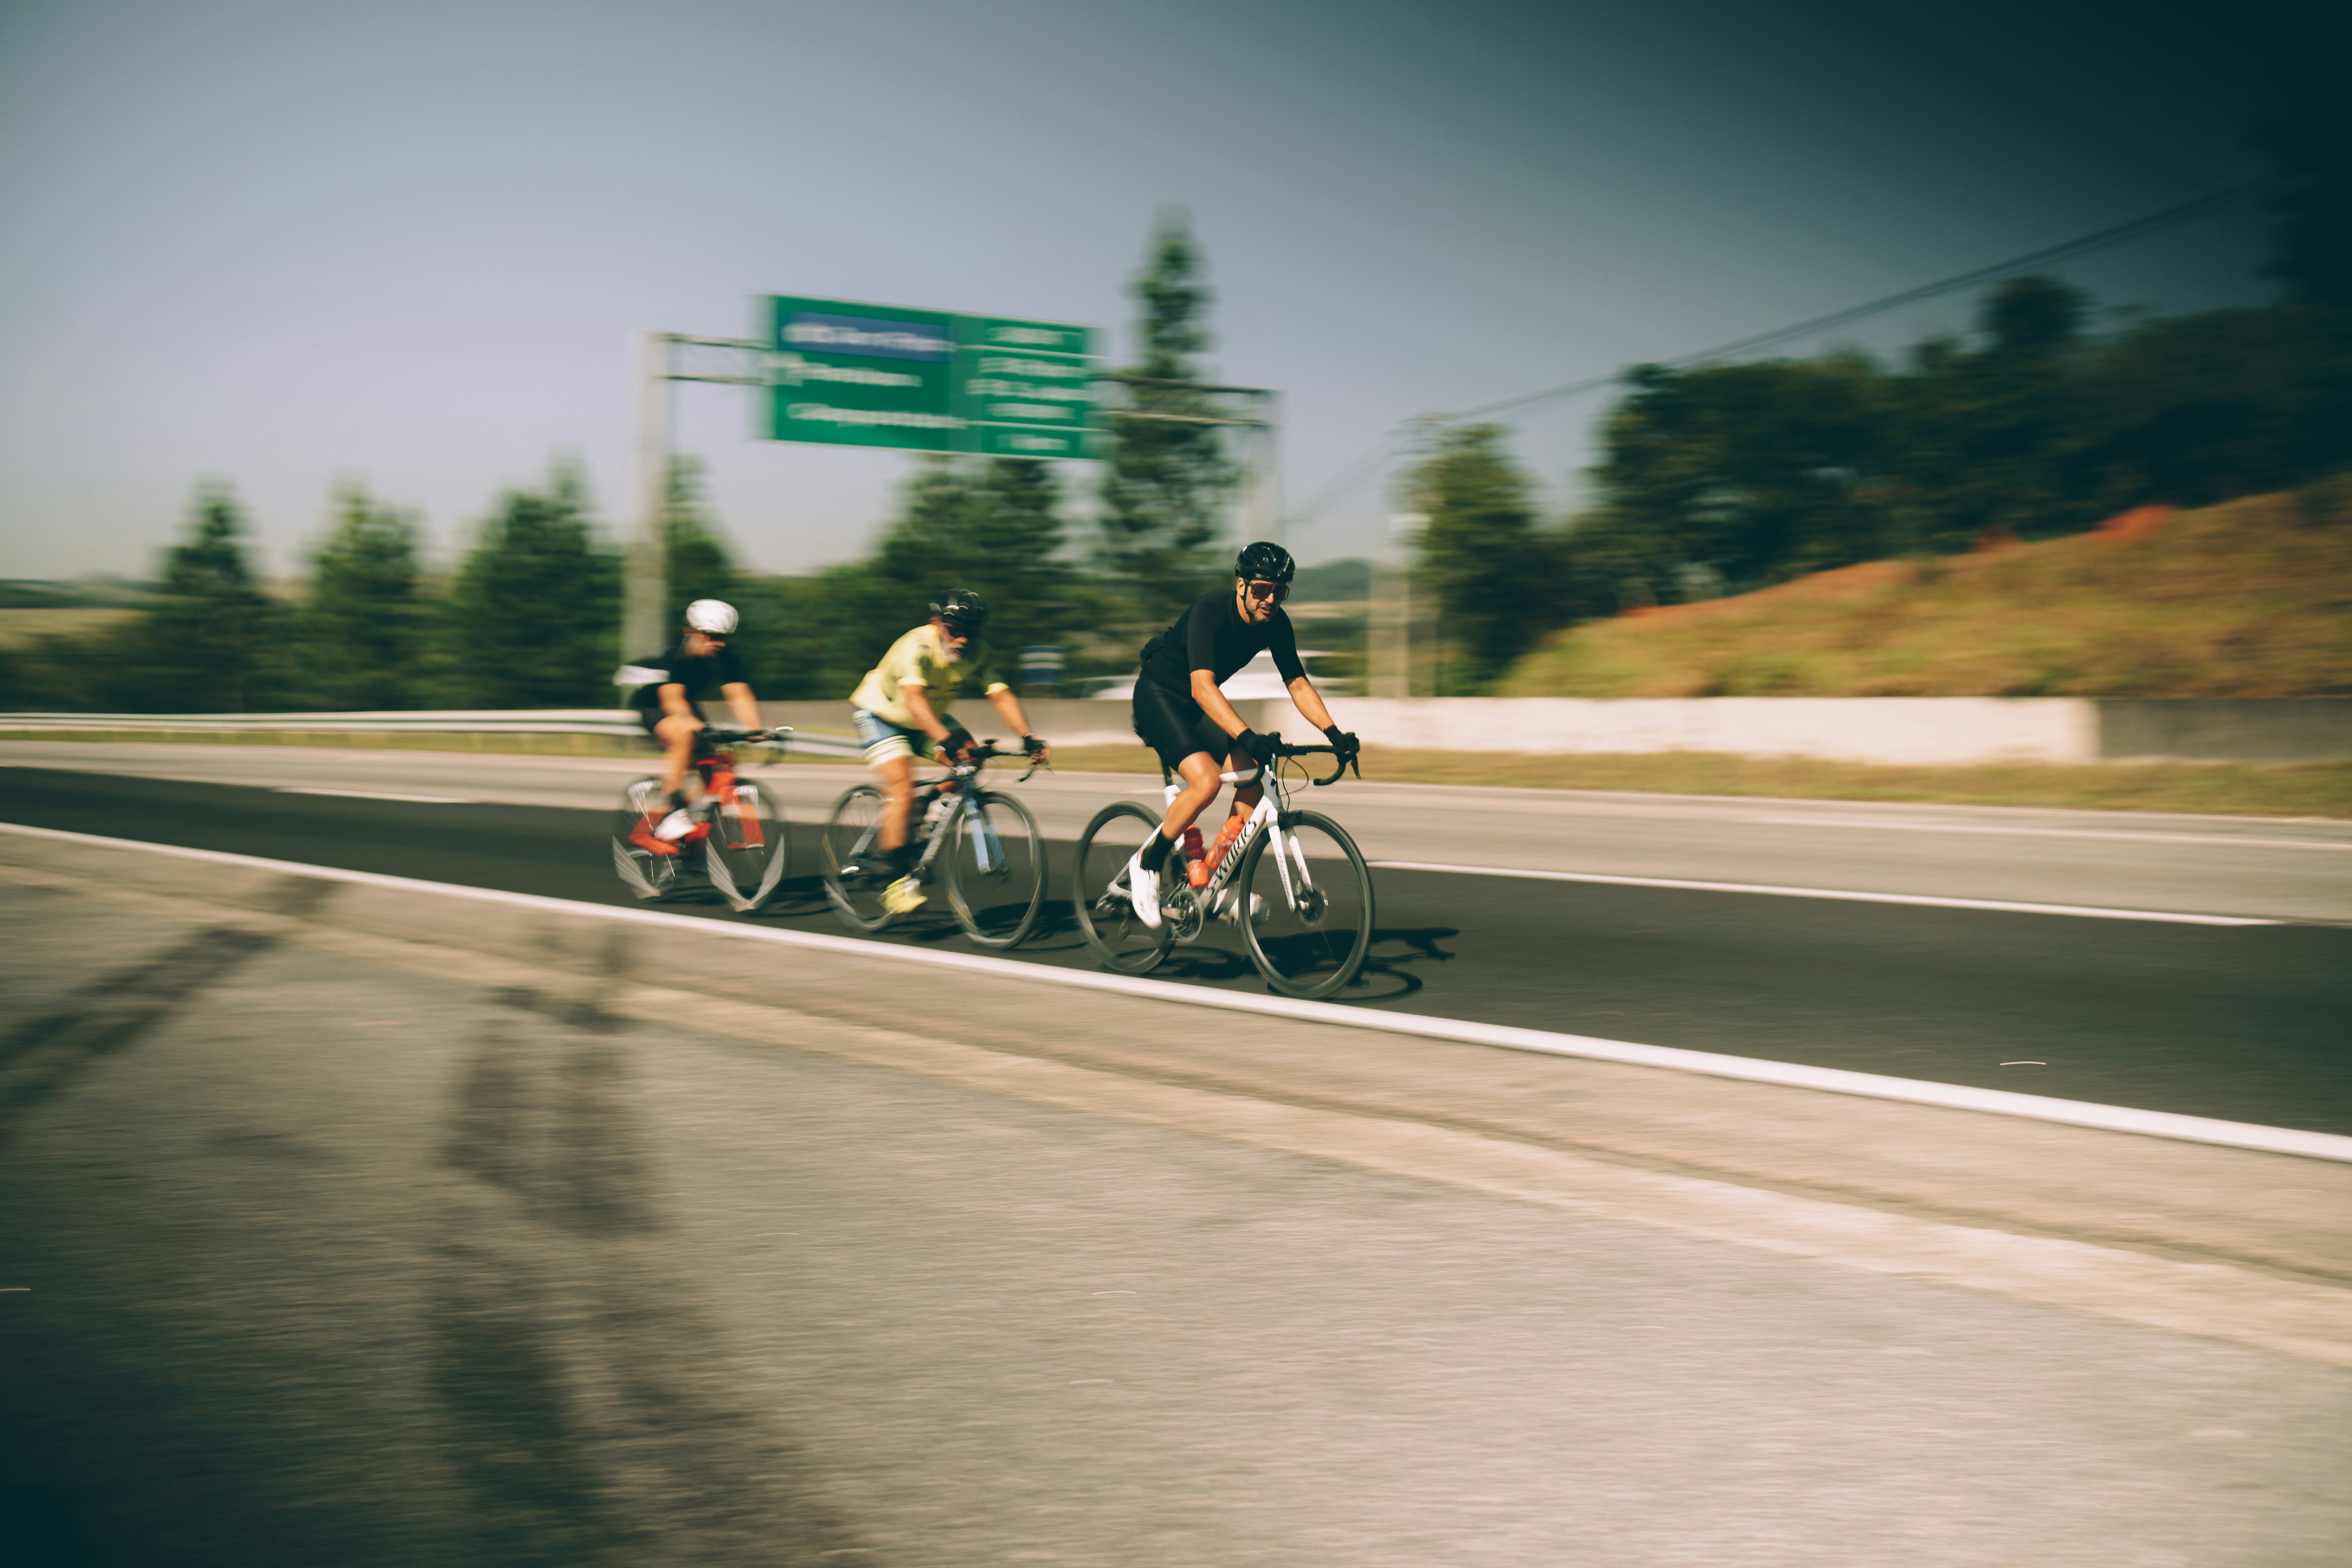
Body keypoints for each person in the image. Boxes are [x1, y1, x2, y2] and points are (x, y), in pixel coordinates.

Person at [1122, 542, 1360, 928]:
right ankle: (1146, 863)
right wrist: (1247, 734)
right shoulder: (1210, 612)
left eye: (1279, 592)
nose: (1270, 600)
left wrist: (1334, 733)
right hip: (1160, 694)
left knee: (1252, 778)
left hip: (1197, 705)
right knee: (1206, 782)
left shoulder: (1276, 623)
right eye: (1263, 589)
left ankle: (1209, 879)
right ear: (1241, 586)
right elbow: (1202, 687)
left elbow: (1297, 683)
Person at [848, 589, 1050, 914]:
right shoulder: (917, 644)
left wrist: (1028, 737)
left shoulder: (979, 651)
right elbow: (914, 700)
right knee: (901, 783)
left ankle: (922, 804)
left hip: (926, 717)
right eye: (956, 630)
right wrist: (947, 740)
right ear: (936, 624)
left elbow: (1001, 695)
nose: (964, 640)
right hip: (882, 714)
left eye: (971, 632)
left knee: (970, 758)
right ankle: (894, 878)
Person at [617, 599, 770, 841]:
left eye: (724, 637)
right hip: (655, 704)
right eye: (710, 636)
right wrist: (696, 727)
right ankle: (673, 807)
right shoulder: (676, 654)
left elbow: (739, 695)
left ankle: (696, 837)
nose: (718, 643)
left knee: (722, 764)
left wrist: (755, 730)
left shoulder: (726, 658)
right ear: (690, 633)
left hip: (686, 702)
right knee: (685, 737)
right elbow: (672, 700)